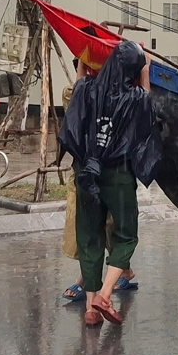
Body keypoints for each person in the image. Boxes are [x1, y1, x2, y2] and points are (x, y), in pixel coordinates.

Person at [58, 40, 162, 326]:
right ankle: (105, 294)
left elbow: (77, 91)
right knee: (126, 233)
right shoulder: (136, 98)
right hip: (117, 175)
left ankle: (91, 309)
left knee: (89, 236)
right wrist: (145, 71)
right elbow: (146, 108)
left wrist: (83, 59)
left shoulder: (86, 89)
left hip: (86, 174)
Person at [61, 58, 138, 303]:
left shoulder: (117, 94)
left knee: (105, 229)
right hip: (89, 176)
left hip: (104, 174)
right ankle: (101, 281)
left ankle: (97, 285)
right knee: (90, 231)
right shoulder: (81, 92)